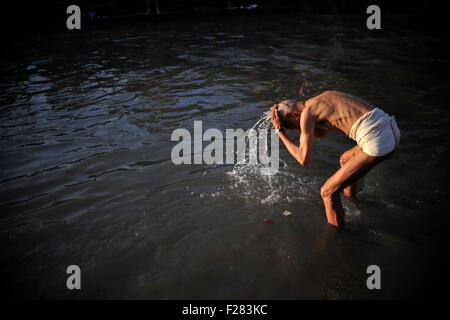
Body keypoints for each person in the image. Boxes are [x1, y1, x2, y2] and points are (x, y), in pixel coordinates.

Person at [270, 90, 400, 228]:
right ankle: (351, 202)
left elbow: (304, 160)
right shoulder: (322, 99)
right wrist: (297, 126)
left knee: (327, 192)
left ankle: (337, 239)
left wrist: (281, 133)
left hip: (378, 138)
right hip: (390, 128)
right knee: (345, 159)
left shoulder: (306, 115)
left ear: (292, 114)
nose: (296, 129)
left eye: (291, 126)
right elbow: (321, 134)